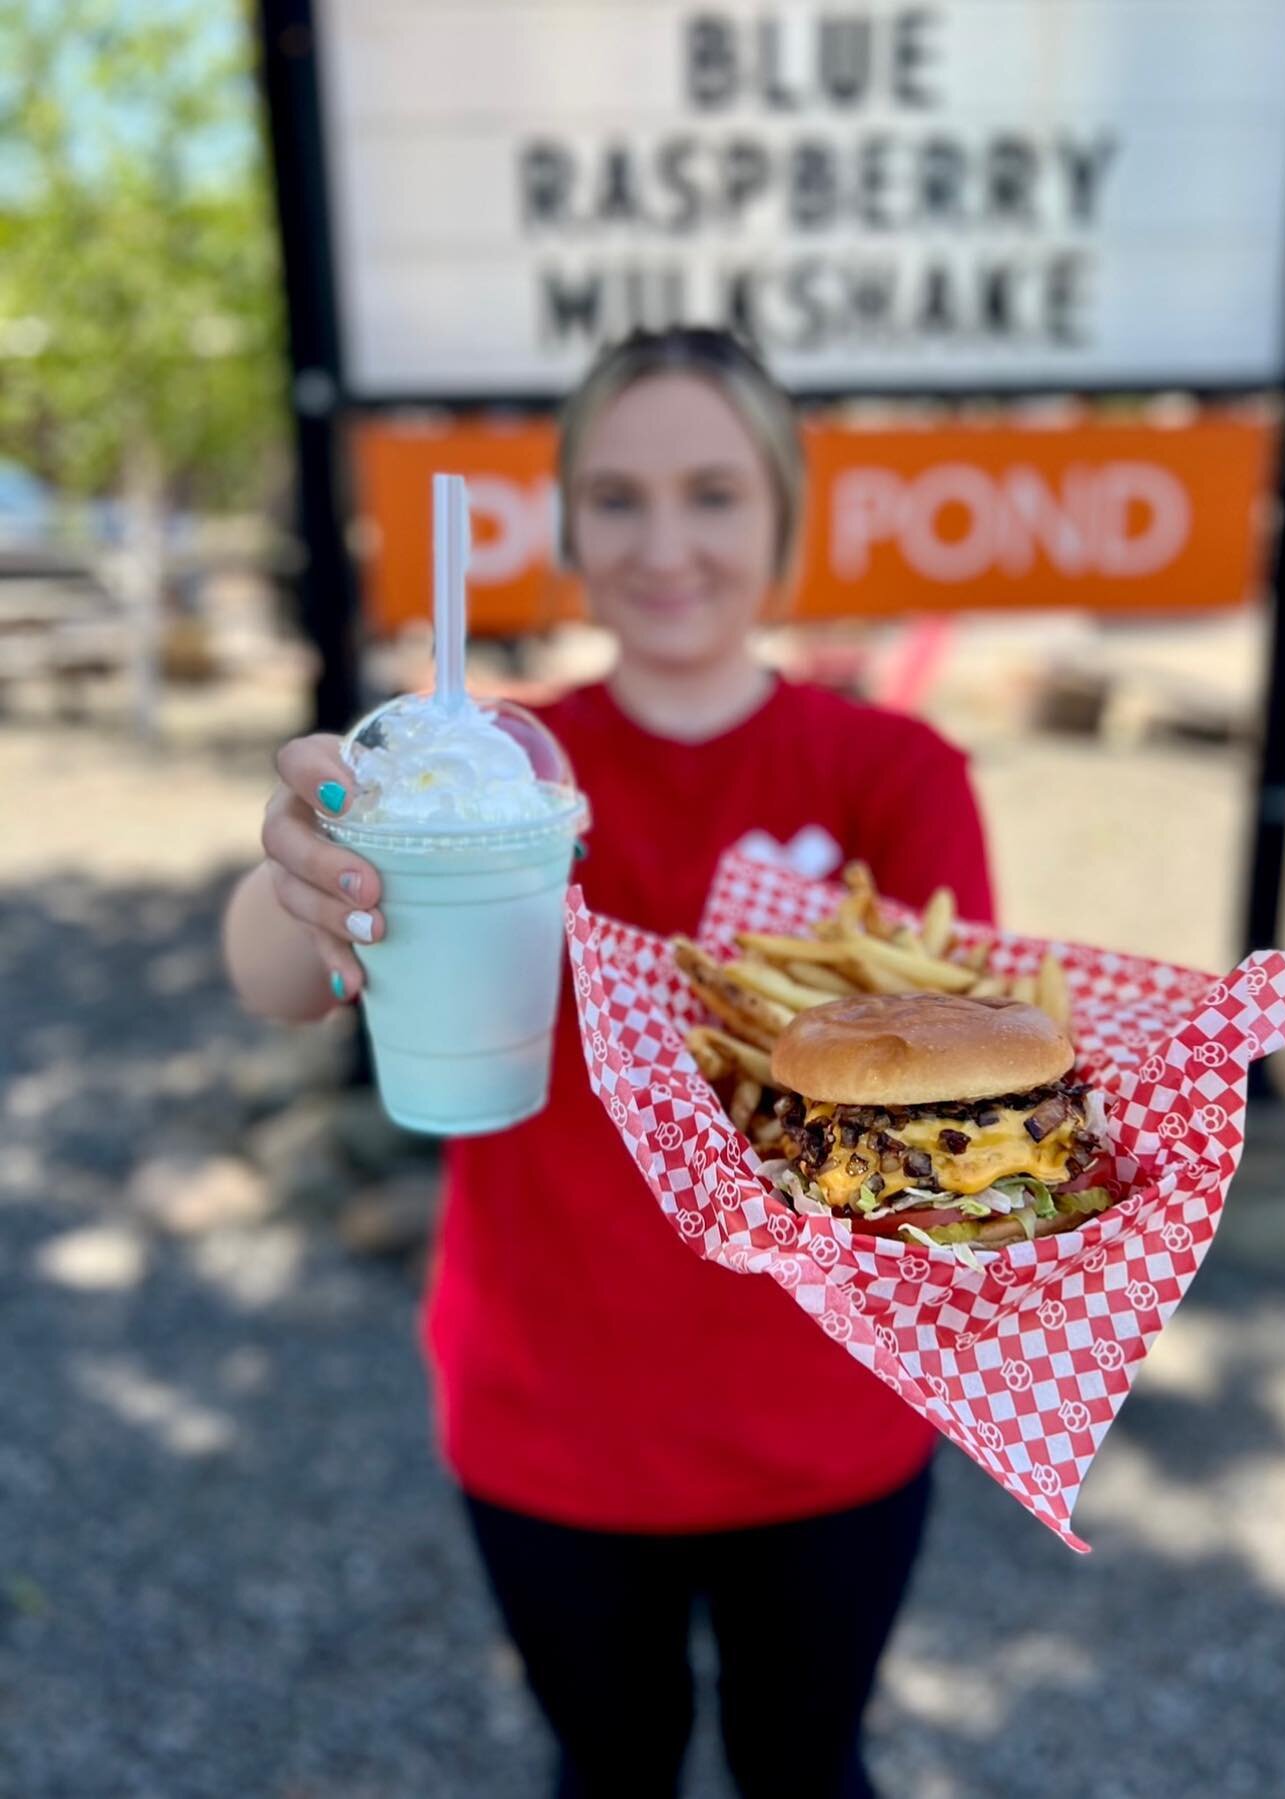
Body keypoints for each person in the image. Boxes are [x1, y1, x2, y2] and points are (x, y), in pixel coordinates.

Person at [223, 327, 996, 1798]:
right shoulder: (484, 779)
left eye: (713, 493)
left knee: (808, 1770)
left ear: (781, 515)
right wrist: (300, 874)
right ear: (572, 527)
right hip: (547, 1420)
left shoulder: (894, 775)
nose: (667, 542)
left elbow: (954, 1109)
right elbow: (273, 983)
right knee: (609, 1769)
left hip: (833, 1422)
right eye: (621, 498)